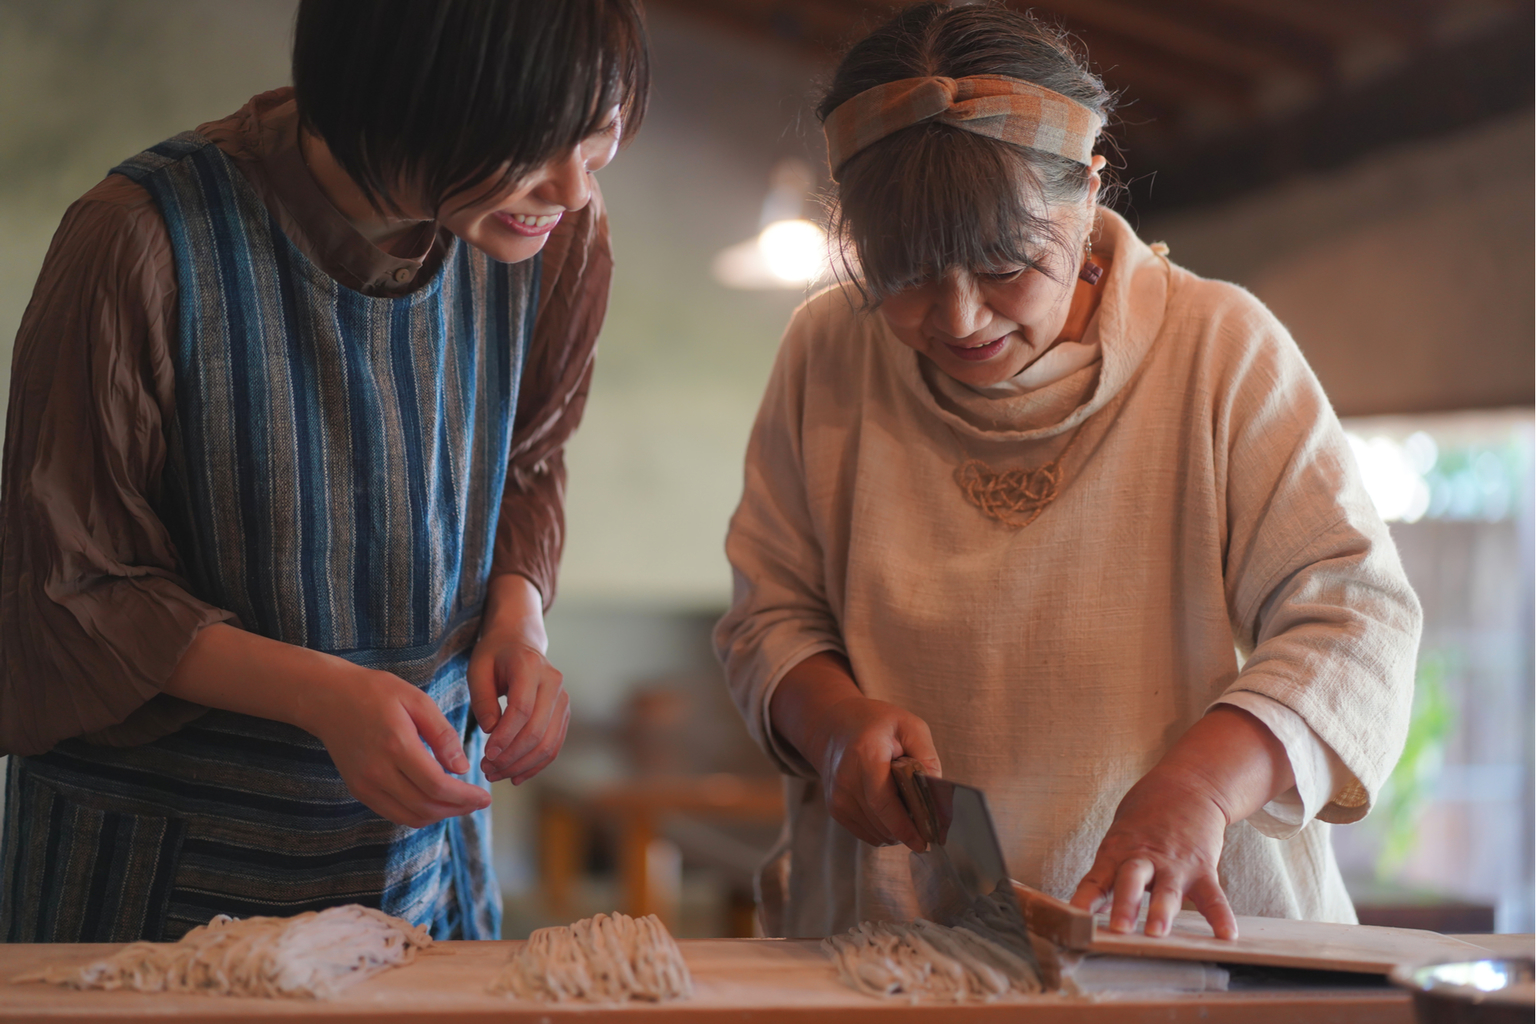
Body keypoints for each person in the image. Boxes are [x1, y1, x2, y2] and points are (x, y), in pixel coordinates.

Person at [716, 2, 1420, 941]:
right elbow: (769, 610)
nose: (961, 318)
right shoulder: (826, 354)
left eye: (1008, 266)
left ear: (1088, 193)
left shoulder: (1217, 349)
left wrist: (1200, 788)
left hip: (1178, 932)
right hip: (896, 938)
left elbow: (1355, 620)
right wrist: (833, 720)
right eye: (909, 275)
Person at [0, 0, 648, 942]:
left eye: (599, 146)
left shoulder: (548, 237)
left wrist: (520, 611)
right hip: (154, 883)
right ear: (401, 92)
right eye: (536, 150)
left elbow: (528, 456)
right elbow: (67, 590)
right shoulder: (138, 240)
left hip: (413, 875)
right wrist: (317, 694)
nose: (575, 191)